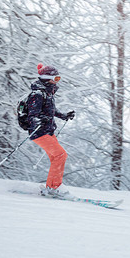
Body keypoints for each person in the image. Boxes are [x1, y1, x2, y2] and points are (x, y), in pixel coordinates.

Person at [27, 63, 75, 197]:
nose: (57, 81)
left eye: (58, 78)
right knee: (60, 155)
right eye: (56, 78)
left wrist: (63, 115)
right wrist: (38, 121)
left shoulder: (47, 93)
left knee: (56, 157)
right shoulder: (37, 94)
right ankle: (54, 187)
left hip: (48, 131)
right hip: (39, 132)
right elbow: (32, 115)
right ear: (47, 78)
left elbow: (50, 110)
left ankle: (51, 186)